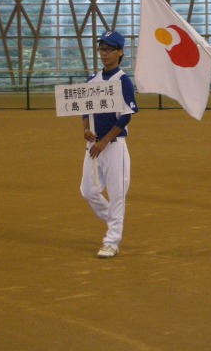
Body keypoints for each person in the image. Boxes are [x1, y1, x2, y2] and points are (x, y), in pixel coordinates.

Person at [80, 30, 138, 258]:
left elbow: (126, 115)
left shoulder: (123, 81)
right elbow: (84, 108)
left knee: (117, 194)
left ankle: (112, 241)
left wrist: (104, 141)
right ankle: (115, 217)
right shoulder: (92, 79)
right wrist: (85, 128)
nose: (104, 54)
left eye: (109, 49)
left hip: (114, 147)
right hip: (93, 147)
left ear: (120, 52)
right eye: (102, 49)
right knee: (88, 191)